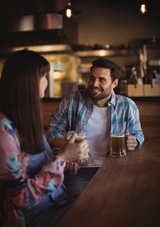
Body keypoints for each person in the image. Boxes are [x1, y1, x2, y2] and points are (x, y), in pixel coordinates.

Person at [0, 49, 89, 227]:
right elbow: (20, 199)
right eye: (45, 76)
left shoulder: (24, 119)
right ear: (30, 82)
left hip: (57, 201)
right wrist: (62, 158)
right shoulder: (4, 132)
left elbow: (34, 160)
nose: (47, 82)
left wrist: (66, 155)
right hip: (33, 216)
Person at [46, 57, 145, 195]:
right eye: (92, 78)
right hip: (79, 170)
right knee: (76, 201)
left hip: (114, 168)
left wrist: (134, 140)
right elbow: (52, 130)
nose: (94, 84)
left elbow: (138, 134)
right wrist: (68, 148)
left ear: (114, 83)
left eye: (102, 80)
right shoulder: (72, 100)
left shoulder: (128, 105)